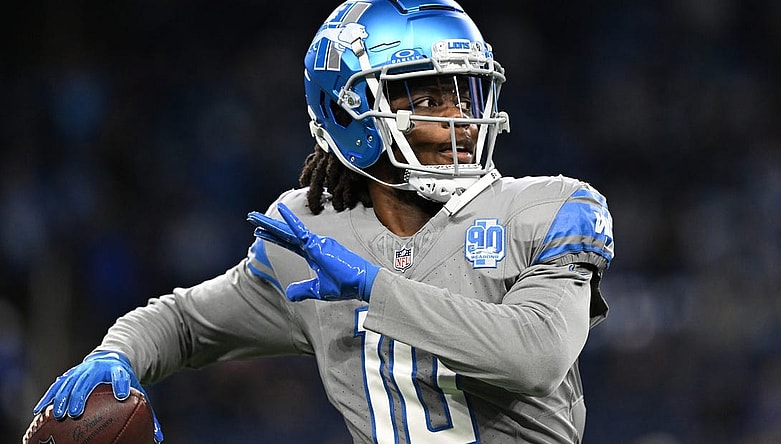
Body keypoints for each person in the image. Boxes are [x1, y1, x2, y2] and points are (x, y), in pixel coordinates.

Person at [30, 0, 614, 442]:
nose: (456, 121)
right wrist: (117, 354)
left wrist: (373, 290)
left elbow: (535, 357)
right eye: (427, 101)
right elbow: (186, 324)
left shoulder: (550, 209)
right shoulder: (310, 235)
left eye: (464, 94)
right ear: (348, 113)